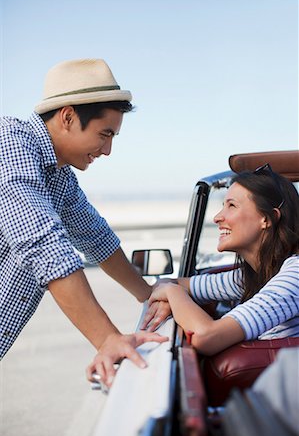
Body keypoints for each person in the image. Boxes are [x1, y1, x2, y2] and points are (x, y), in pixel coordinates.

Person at [0, 58, 167, 386]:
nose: (107, 151)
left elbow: (96, 239)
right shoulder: (10, 143)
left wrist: (147, 293)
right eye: (104, 134)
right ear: (67, 117)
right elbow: (44, 245)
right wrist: (107, 338)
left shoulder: (60, 176)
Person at [142, 165, 299, 354]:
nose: (217, 218)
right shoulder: (252, 277)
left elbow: (207, 337)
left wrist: (171, 293)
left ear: (267, 218)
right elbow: (167, 282)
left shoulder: (295, 274)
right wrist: (168, 290)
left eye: (232, 206)